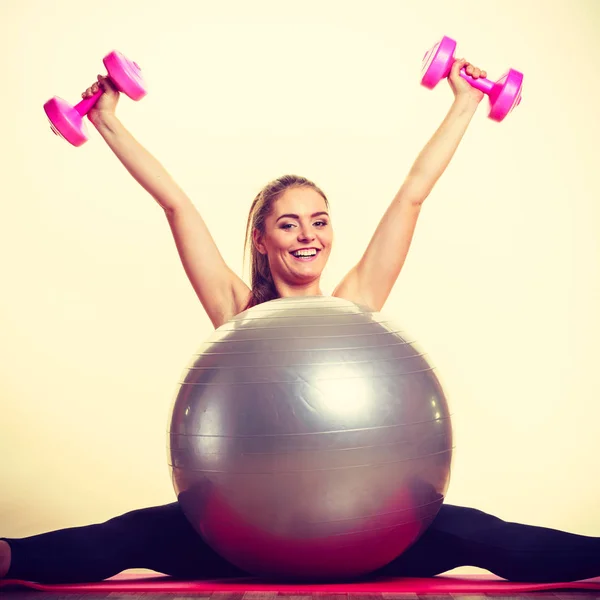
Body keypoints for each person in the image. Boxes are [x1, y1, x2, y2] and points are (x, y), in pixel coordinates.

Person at [2, 57, 600, 586]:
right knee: (127, 536)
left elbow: (412, 194)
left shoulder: (358, 300)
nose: (308, 235)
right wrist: (107, 119)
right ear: (262, 240)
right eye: (288, 224)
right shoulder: (237, 313)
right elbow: (176, 204)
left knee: (484, 535)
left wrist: (465, 103)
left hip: (369, 536)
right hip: (242, 540)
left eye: (319, 220)